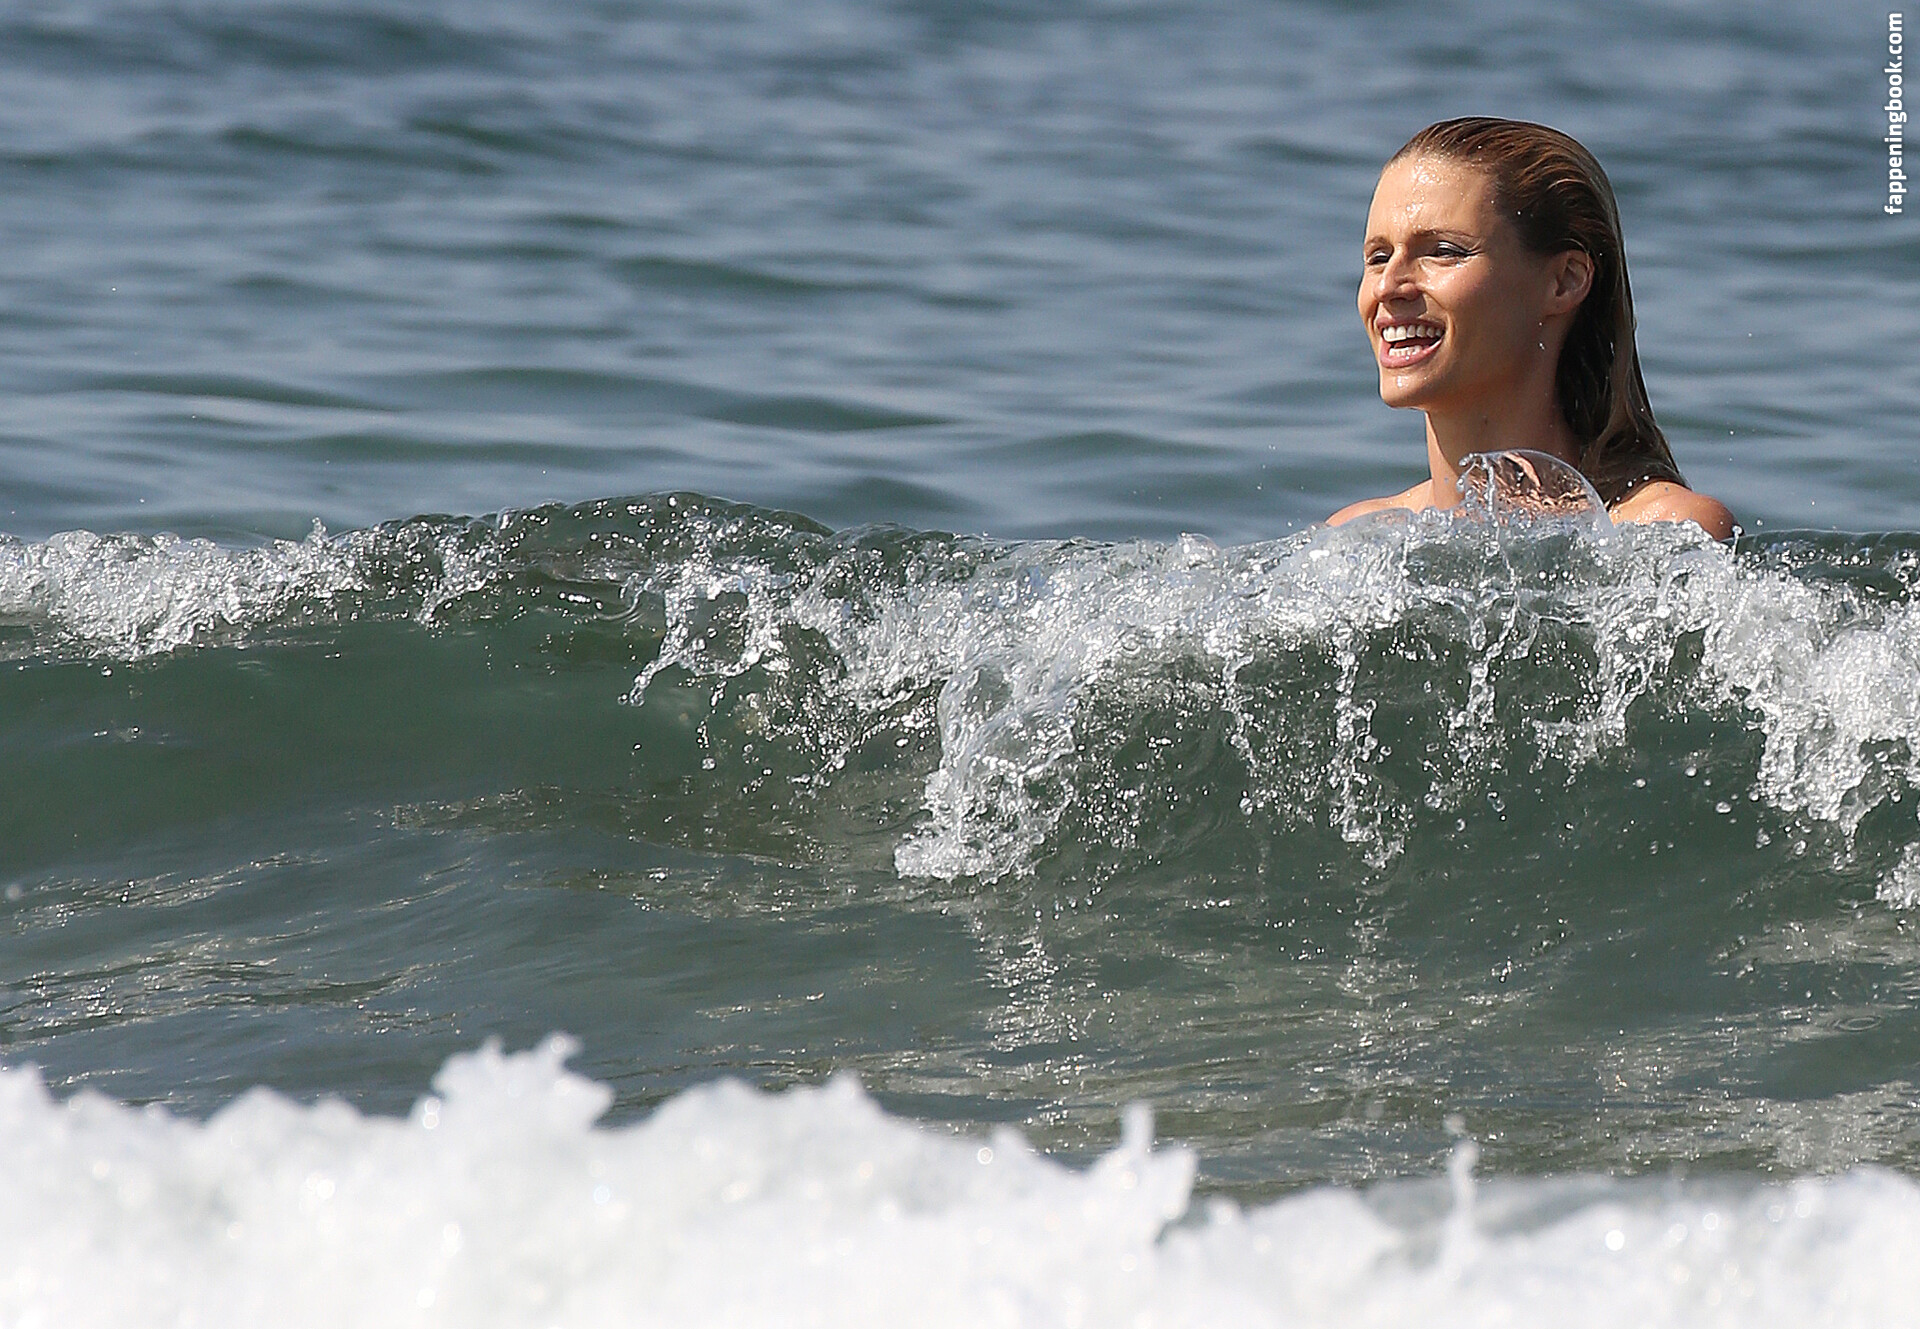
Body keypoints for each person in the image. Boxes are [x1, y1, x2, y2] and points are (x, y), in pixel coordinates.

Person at [1328, 117, 1735, 538]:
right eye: (1378, 257)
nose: (1387, 286)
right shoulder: (1355, 536)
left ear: (1565, 281)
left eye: (1444, 251)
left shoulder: (1665, 529)